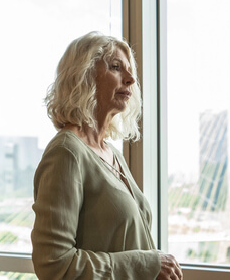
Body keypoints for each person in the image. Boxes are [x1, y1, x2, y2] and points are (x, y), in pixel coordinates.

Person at [31, 31, 183, 280]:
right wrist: (145, 264)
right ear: (84, 75)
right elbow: (53, 265)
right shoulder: (66, 153)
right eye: (115, 67)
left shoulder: (111, 153)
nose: (131, 79)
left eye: (129, 70)